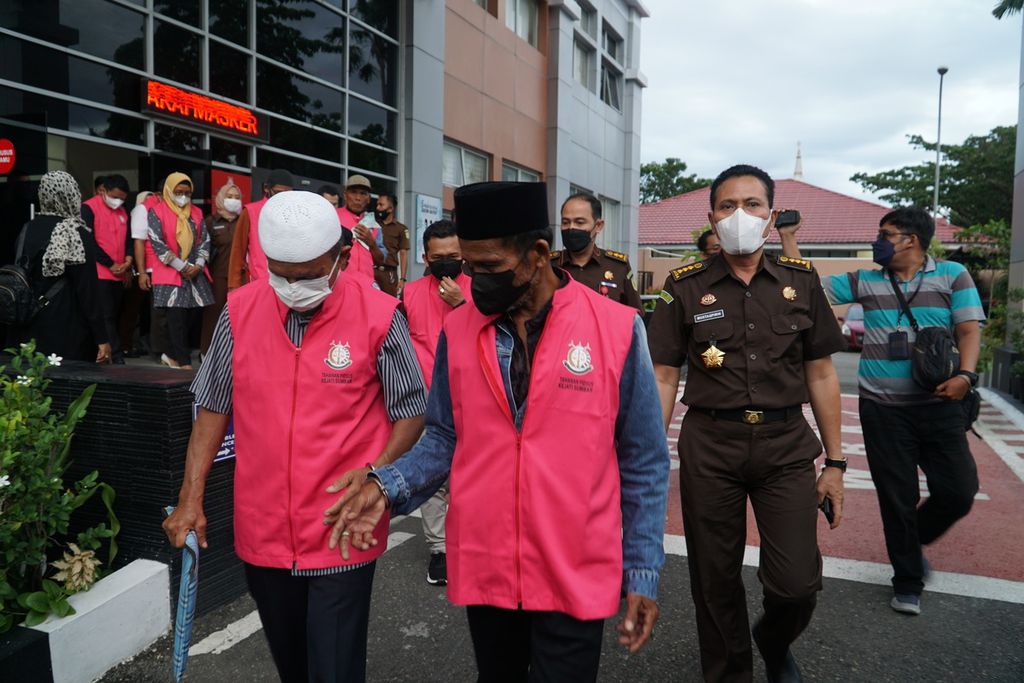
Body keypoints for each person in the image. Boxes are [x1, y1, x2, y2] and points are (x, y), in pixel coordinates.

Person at [326, 181, 669, 681]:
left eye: (489, 268)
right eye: (469, 266)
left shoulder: (616, 328)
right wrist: (386, 484)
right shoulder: (460, 329)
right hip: (488, 564)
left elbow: (643, 460)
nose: (474, 280)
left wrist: (642, 573)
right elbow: (444, 436)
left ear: (538, 254)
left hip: (575, 564)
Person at [163, 190, 426, 683]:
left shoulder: (381, 315)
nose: (291, 287)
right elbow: (213, 408)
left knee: (334, 668)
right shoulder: (238, 312)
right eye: (280, 274)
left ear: (342, 258)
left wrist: (377, 474)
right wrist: (189, 498)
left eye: (306, 275)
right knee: (292, 664)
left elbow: (410, 411)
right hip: (262, 525)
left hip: (343, 524)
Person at [646, 164, 847, 683]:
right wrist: (646, 459)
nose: (740, 215)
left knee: (797, 584)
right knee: (714, 578)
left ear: (771, 215)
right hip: (711, 444)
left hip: (785, 447)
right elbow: (665, 376)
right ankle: (728, 674)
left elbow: (822, 374)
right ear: (711, 217)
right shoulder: (683, 286)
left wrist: (836, 463)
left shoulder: (802, 283)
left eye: (752, 205)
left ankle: (773, 641)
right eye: (727, 206)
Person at [780, 206, 983, 617]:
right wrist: (788, 238)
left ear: (911, 239)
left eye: (885, 234)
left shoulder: (952, 274)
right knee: (897, 498)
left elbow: (968, 329)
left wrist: (966, 375)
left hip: (940, 404)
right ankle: (907, 579)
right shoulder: (866, 281)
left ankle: (912, 541)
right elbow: (807, 288)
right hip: (883, 410)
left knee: (959, 491)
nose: (878, 241)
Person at [399, 218, 472, 586]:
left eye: (454, 256)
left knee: (470, 473)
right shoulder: (409, 293)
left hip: (474, 396)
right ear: (426, 258)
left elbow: (492, 335)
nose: (447, 262)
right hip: (427, 399)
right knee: (433, 476)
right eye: (439, 256)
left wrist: (463, 305)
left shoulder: (479, 291)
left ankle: (470, 541)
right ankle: (440, 549)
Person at [6, 170, 111, 362]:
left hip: (27, 324)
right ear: (71, 194)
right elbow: (88, 291)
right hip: (66, 328)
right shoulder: (75, 232)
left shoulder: (27, 228)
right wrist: (102, 337)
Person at [147, 172, 213, 370]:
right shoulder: (157, 211)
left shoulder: (197, 212)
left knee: (192, 316)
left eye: (187, 192)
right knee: (175, 317)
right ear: (169, 191)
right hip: (170, 271)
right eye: (179, 192)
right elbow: (157, 242)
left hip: (194, 272)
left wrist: (199, 264)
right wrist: (181, 266)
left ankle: (171, 354)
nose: (183, 196)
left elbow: (204, 239)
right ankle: (184, 361)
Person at [553, 192, 643, 311]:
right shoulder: (548, 266)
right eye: (565, 222)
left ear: (598, 225)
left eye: (579, 222)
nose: (571, 228)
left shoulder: (618, 267)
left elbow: (635, 318)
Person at [81, 173, 133, 364]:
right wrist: (110, 264)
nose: (118, 201)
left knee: (114, 315)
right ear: (104, 191)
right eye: (115, 196)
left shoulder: (123, 210)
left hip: (119, 273)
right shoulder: (88, 208)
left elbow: (128, 238)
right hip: (99, 272)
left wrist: (128, 260)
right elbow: (89, 242)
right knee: (106, 316)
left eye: (122, 198)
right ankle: (116, 357)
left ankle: (106, 353)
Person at [227, 169, 294, 289]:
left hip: (289, 286)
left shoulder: (294, 214)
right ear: (266, 188)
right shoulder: (250, 212)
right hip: (259, 284)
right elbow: (238, 252)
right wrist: (233, 286)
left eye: (287, 194)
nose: (283, 198)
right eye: (278, 193)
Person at [201, 181, 243, 355]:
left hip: (241, 276)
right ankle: (207, 352)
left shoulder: (244, 220)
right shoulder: (211, 221)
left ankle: (232, 353)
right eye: (229, 197)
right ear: (220, 198)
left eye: (237, 197)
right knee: (214, 314)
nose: (233, 200)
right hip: (217, 275)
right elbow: (203, 248)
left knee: (238, 316)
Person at [337, 175, 386, 283]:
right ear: (345, 195)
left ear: (368, 199)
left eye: (363, 193)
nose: (358, 198)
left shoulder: (374, 225)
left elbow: (380, 261)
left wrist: (372, 243)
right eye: (353, 192)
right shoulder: (334, 216)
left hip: (366, 285)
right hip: (338, 283)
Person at [373, 193, 410, 296]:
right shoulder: (372, 224)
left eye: (381, 205)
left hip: (389, 274)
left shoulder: (401, 229)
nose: (378, 208)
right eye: (377, 204)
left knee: (389, 305)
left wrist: (402, 279)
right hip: (370, 271)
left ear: (390, 209)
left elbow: (403, 254)